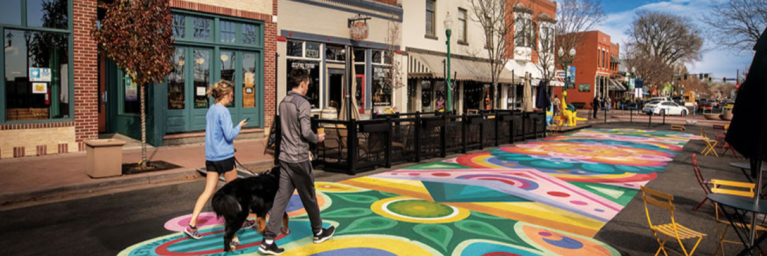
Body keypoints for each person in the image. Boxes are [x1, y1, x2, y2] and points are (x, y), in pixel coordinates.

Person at [260, 68, 333, 255]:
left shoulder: (283, 102)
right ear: (302, 83)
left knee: (281, 199)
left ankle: (268, 240)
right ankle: (318, 232)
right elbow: (305, 132)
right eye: (308, 83)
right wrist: (318, 138)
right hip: (299, 158)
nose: (309, 86)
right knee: (309, 196)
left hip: (285, 158)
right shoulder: (304, 103)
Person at [185, 80, 250, 240]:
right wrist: (239, 126)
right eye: (231, 96)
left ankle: (191, 225)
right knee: (234, 192)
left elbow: (215, 135)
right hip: (225, 158)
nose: (232, 99)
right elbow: (229, 134)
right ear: (226, 95)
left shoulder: (211, 110)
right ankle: (237, 224)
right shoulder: (224, 111)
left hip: (212, 157)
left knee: (208, 191)